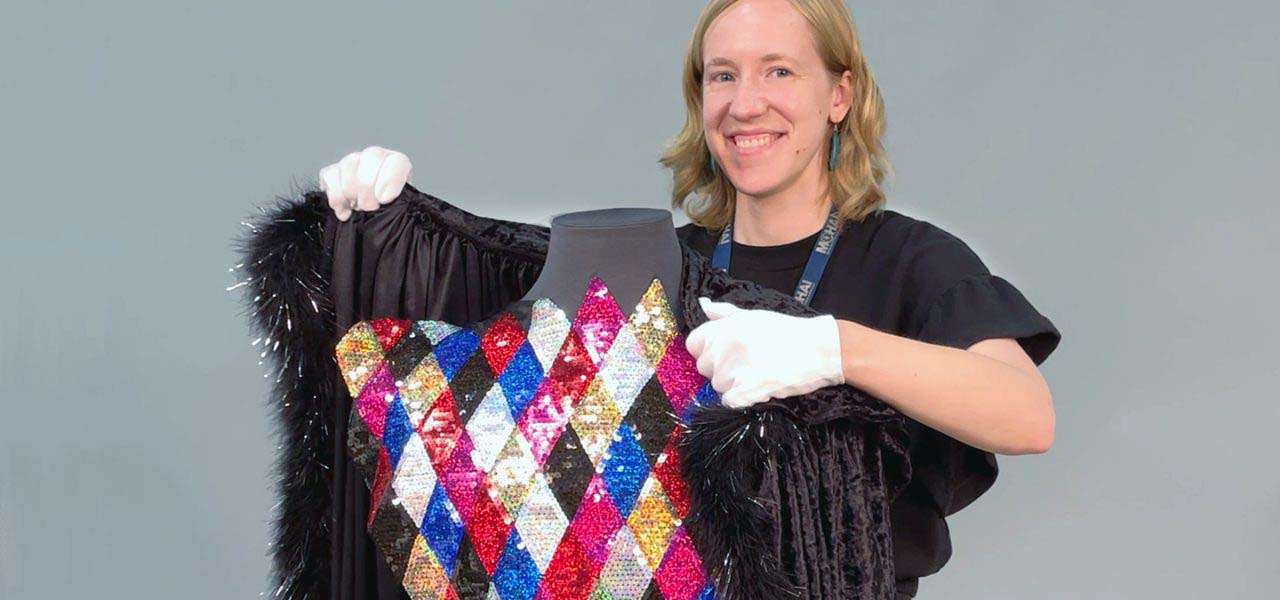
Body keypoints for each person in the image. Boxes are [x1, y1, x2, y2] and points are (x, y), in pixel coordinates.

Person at [316, 1, 1062, 597]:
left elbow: (1025, 414)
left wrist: (833, 349)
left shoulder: (909, 261)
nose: (746, 104)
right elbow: (498, 386)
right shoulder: (664, 267)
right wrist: (379, 230)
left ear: (839, 94)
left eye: (779, 72)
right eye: (722, 76)